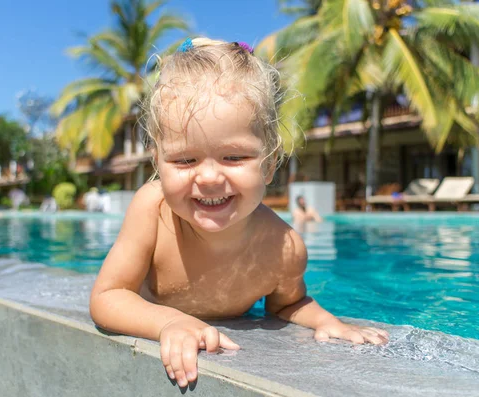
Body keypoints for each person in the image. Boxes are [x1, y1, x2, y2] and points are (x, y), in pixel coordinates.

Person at [90, 37, 389, 388]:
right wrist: (168, 323)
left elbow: (287, 305)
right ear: (158, 163)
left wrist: (326, 321)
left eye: (235, 157)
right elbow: (108, 297)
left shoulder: (284, 249)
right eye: (185, 160)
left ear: (270, 164)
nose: (210, 177)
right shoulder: (151, 209)